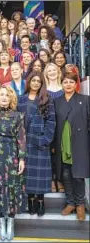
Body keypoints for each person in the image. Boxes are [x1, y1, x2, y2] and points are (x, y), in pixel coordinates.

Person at [0, 86, 26, 241]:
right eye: (1, 95)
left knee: (12, 189)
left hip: (12, 156)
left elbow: (21, 138)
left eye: (7, 95)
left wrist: (22, 159)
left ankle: (11, 222)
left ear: (11, 98)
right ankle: (1, 222)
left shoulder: (18, 116)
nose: (3, 98)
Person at [18, 71, 56, 217]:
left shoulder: (47, 99)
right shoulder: (21, 99)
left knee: (40, 176)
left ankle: (40, 201)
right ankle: (30, 200)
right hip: (25, 143)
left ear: (41, 84)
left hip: (40, 143)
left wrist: (45, 140)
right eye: (33, 80)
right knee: (27, 175)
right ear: (29, 82)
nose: (35, 83)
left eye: (38, 81)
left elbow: (51, 121)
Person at [54, 72, 90, 221]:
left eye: (71, 82)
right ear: (61, 84)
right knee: (65, 173)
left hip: (80, 141)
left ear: (76, 84)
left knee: (78, 175)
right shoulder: (56, 101)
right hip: (62, 141)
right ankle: (70, 203)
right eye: (65, 82)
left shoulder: (85, 100)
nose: (68, 84)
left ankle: (80, 204)